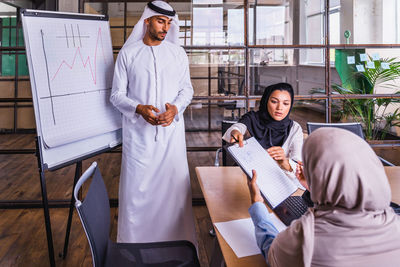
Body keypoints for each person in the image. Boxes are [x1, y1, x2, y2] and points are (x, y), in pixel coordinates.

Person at [247, 128, 400, 267]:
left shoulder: (306, 241)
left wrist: (257, 205)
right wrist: (315, 187)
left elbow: (272, 253)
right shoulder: (394, 224)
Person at [110, 0, 196, 245]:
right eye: (161, 21)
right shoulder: (128, 54)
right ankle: (133, 248)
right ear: (146, 21)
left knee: (173, 194)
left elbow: (186, 90)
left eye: (169, 23)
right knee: (137, 196)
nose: (165, 27)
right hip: (139, 139)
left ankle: (177, 247)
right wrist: (138, 108)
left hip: (171, 139)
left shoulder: (177, 53)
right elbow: (116, 95)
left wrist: (175, 109)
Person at [223, 82, 303, 182]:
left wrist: (285, 162)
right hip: (245, 178)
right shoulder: (252, 119)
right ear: (266, 101)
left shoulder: (294, 128)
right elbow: (238, 127)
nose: (280, 108)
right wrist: (235, 132)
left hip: (278, 182)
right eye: (274, 102)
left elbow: (298, 166)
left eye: (286, 103)